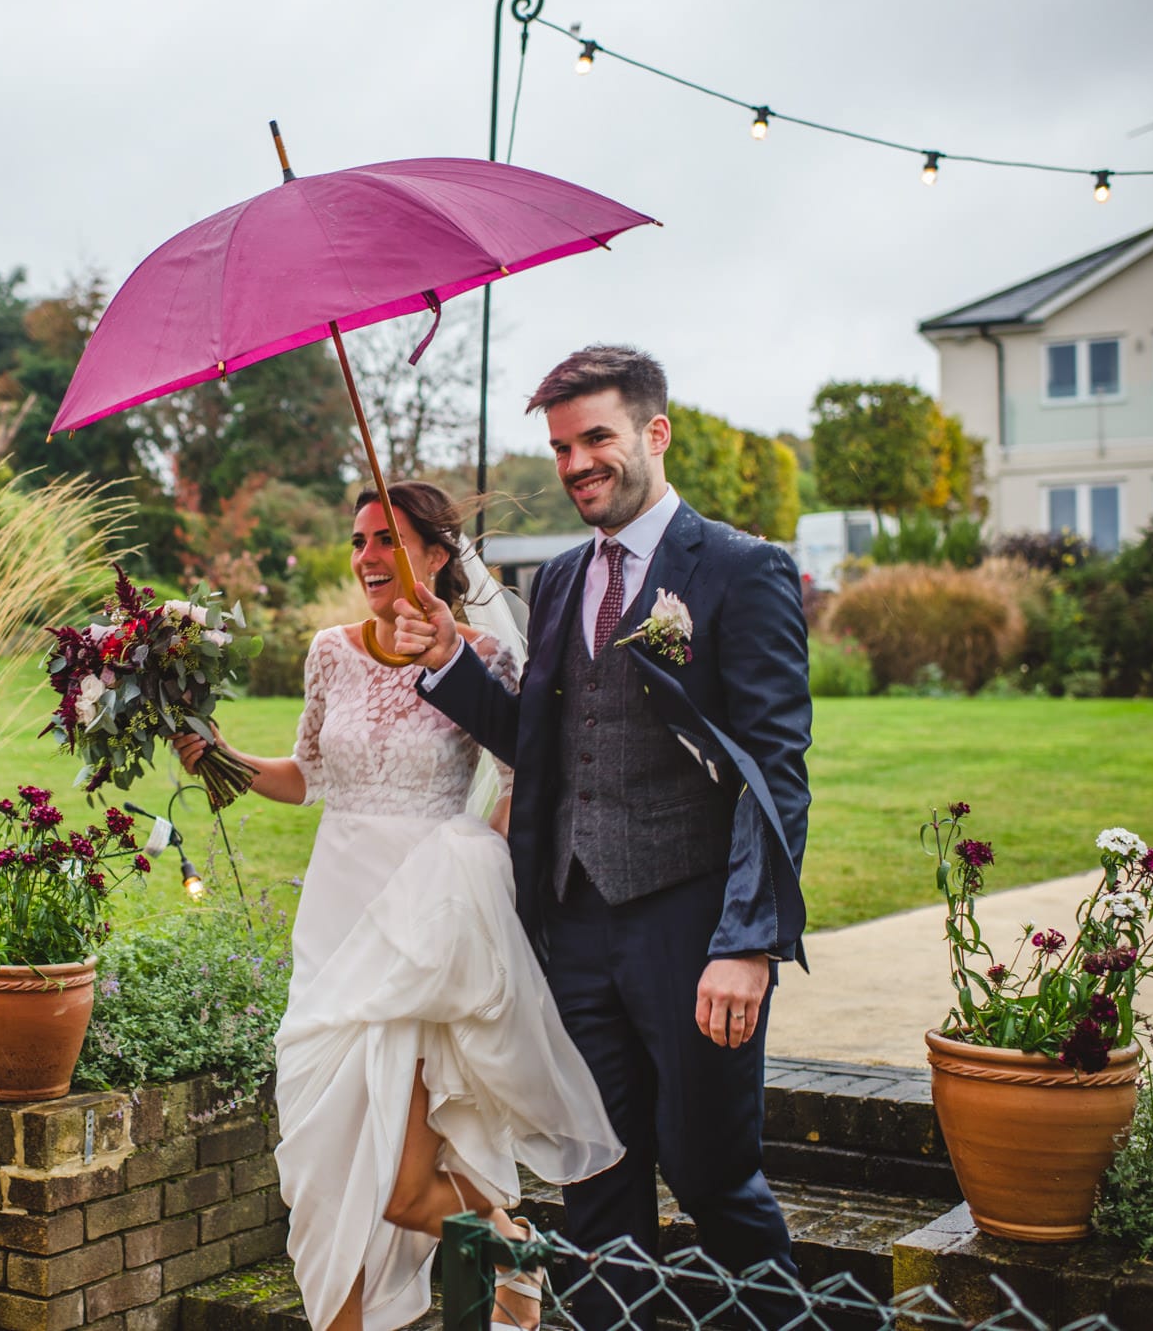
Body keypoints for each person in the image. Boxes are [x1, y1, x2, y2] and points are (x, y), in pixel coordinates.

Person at [394, 346, 812, 1328]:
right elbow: (543, 750)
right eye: (559, 446)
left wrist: (745, 943)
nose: (576, 461)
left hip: (690, 923)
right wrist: (452, 663)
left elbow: (772, 769)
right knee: (596, 1187)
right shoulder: (561, 576)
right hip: (573, 932)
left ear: (653, 434)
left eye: (595, 438)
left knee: (714, 1176)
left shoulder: (740, 572)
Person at [174, 481, 622, 1331]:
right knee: (315, 1165)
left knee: (400, 1185)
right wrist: (223, 756)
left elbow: (530, 778)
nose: (367, 556)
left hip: (422, 931)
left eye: (386, 538)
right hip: (336, 921)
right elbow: (309, 776)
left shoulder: (481, 654)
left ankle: (509, 1239)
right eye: (358, 540)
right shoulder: (329, 651)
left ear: (436, 556)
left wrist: (472, 863)